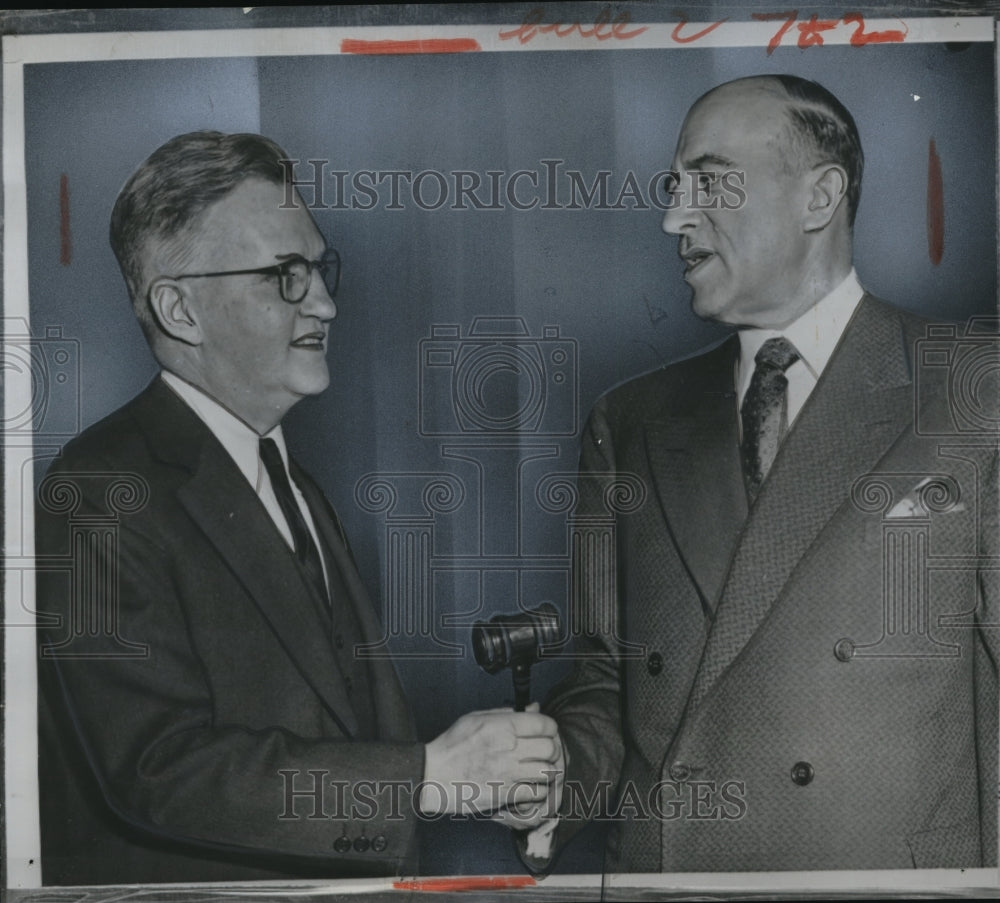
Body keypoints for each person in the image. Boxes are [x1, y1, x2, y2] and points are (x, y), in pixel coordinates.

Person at [35, 131, 563, 885]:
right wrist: (425, 775)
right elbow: (158, 770)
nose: (324, 301)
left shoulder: (292, 482)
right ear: (179, 308)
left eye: (319, 268)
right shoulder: (97, 489)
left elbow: (339, 735)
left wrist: (476, 785)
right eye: (284, 274)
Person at [523, 75, 997, 872]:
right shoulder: (630, 420)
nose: (674, 216)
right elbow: (607, 680)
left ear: (820, 197)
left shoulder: (973, 389)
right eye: (674, 188)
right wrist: (553, 777)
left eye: (709, 181)